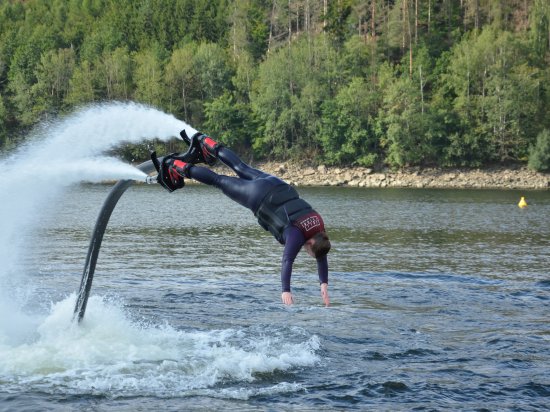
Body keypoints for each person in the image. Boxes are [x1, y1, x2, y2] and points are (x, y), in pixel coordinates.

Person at [155, 131, 332, 306]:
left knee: (240, 166)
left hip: (275, 184)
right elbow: (288, 261)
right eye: (308, 252)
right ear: (309, 243)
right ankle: (175, 166)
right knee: (218, 180)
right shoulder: (296, 235)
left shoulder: (319, 226)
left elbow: (321, 253)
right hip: (258, 196)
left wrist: (323, 283)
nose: (307, 254)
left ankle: (207, 143)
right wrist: (286, 290)